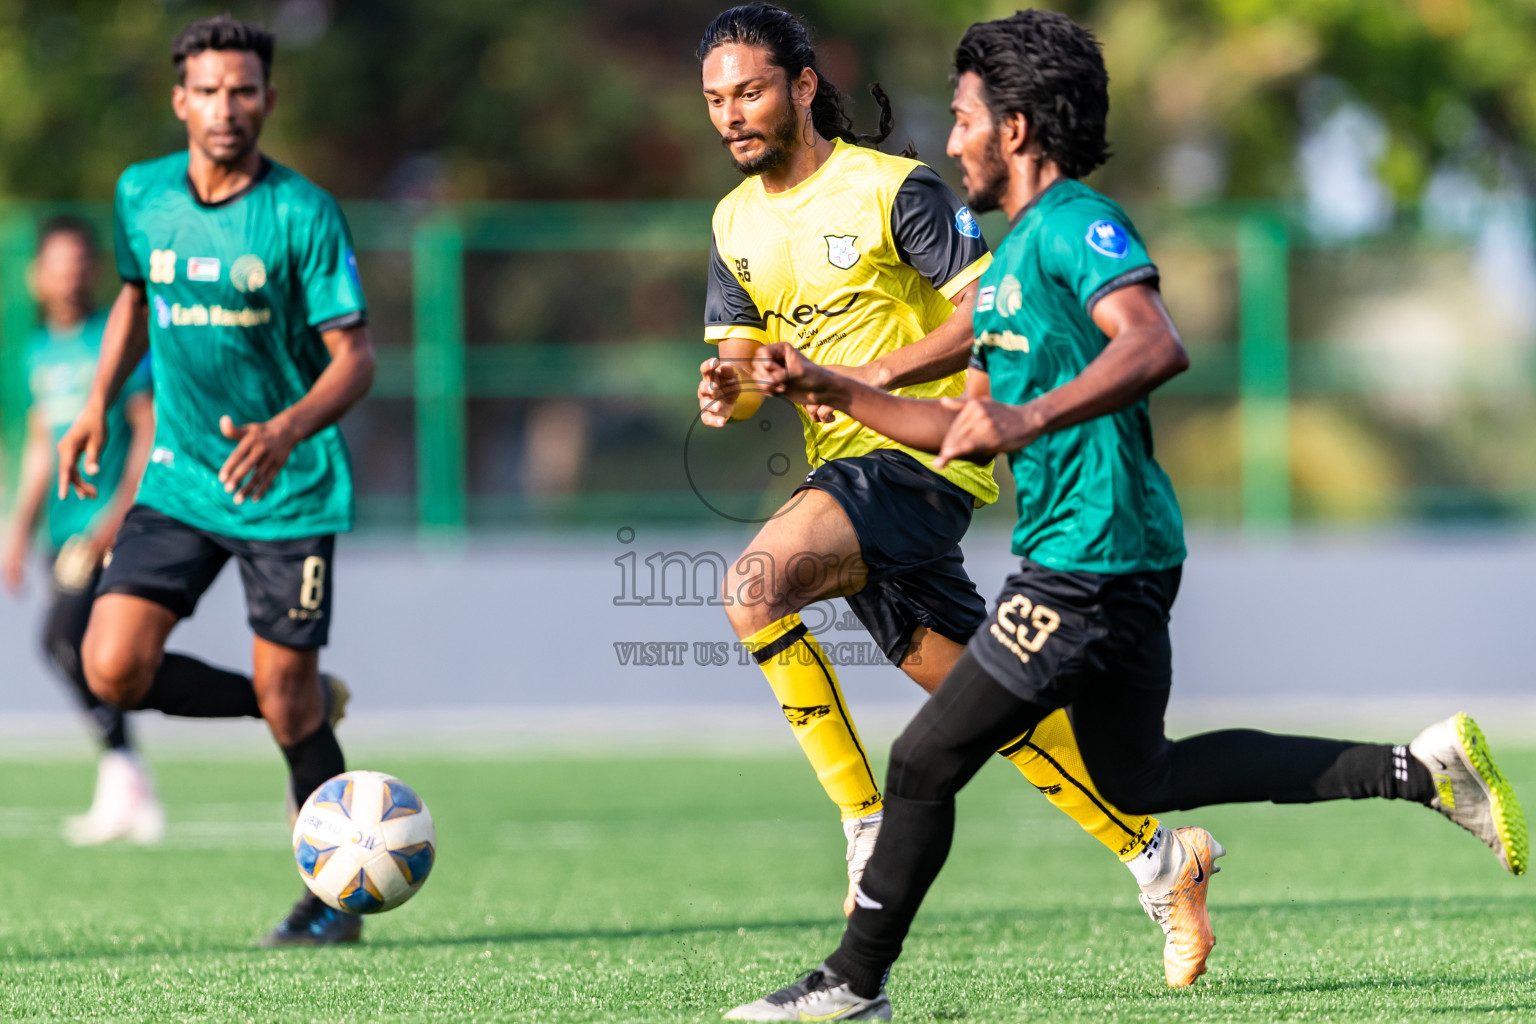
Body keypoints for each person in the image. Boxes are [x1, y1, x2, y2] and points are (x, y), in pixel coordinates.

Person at [726, 10, 1527, 1019]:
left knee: (926, 758)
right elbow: (952, 418)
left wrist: (1029, 413)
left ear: (1015, 130)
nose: (954, 137)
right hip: (1112, 555)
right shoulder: (1018, 259)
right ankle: (1422, 770)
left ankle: (850, 984)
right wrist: (834, 384)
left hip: (1092, 561)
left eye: (967, 117)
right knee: (1136, 771)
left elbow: (1153, 341)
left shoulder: (1075, 224)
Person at [695, 1, 1214, 962]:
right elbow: (743, 351)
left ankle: (863, 825)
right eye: (717, 99)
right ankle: (1162, 857)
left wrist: (876, 375)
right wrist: (729, 383)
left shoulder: (894, 190)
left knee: (754, 586)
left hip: (919, 460)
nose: (731, 114)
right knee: (985, 706)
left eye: (751, 91)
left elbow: (987, 308)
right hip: (841, 473)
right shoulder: (732, 223)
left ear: (803, 87)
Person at [57, 14, 375, 947]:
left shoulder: (302, 213)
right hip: (180, 477)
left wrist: (285, 428)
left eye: (244, 92)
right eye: (209, 91)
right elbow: (131, 297)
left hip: (288, 487)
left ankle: (335, 899)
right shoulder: (141, 194)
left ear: (268, 100)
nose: (226, 109)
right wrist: (95, 405)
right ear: (179, 101)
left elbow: (353, 360)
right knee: (110, 667)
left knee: (291, 699)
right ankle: (296, 700)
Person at [3, 216, 164, 845]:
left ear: (92, 270)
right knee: (88, 654)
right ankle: (125, 777)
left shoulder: (116, 338)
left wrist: (116, 514)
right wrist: (16, 527)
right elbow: (43, 445)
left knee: (62, 641)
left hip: (106, 528)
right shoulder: (37, 350)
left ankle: (125, 773)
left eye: (79, 261)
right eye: (57, 262)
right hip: (60, 529)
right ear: (37, 276)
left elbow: (146, 428)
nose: (69, 273)